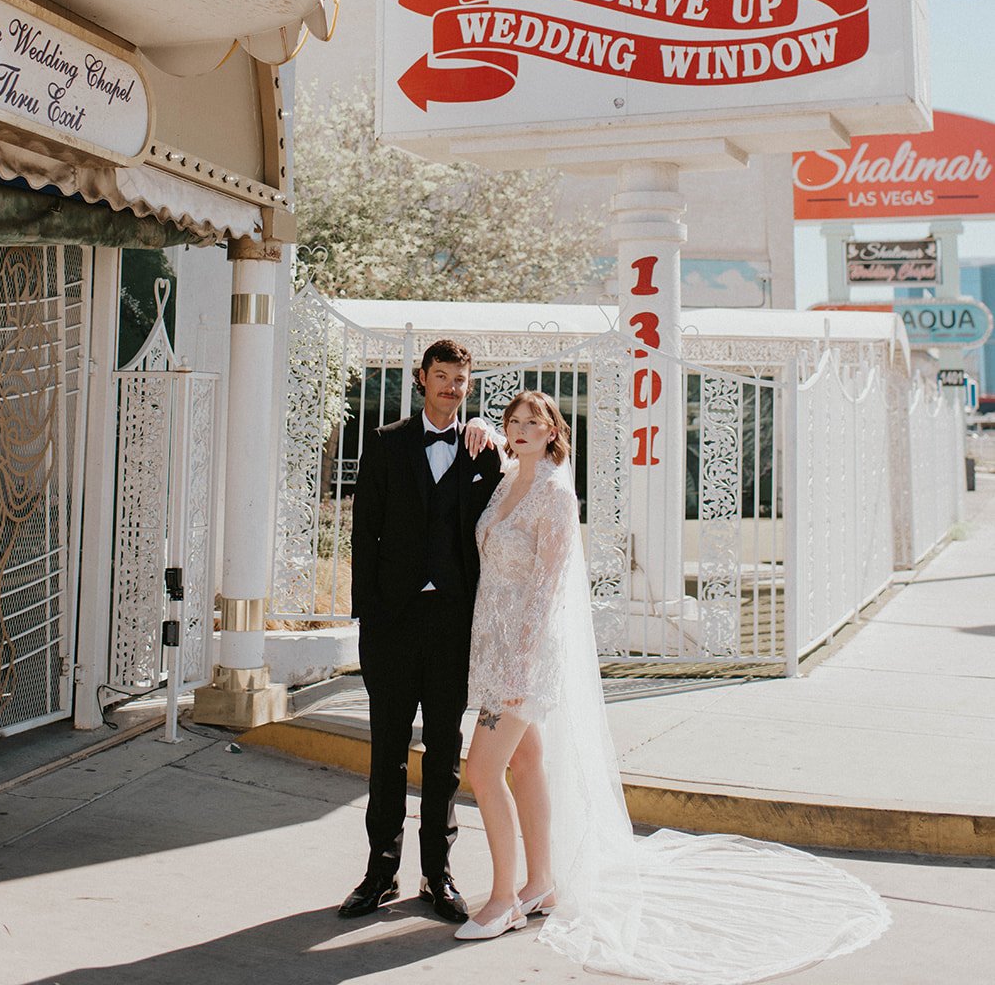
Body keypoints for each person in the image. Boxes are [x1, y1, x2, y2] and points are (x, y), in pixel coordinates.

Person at [455, 389, 891, 984]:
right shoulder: (508, 480)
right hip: (493, 645)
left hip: (523, 657)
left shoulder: (555, 494)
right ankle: (541, 882)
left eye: (536, 421)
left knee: (482, 772)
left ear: (555, 431)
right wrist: (480, 421)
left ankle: (503, 899)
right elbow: (480, 436)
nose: (524, 428)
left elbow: (549, 589)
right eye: (515, 421)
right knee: (526, 763)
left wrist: (519, 671)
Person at [338, 338, 504, 922]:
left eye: (461, 380)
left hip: (453, 624)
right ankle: (380, 874)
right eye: (442, 377)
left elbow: (532, 466)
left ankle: (439, 874)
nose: (451, 388)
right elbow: (364, 536)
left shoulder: (484, 450)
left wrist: (494, 433)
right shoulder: (386, 444)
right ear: (421, 379)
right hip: (393, 622)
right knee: (386, 750)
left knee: (444, 753)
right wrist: (369, 616)